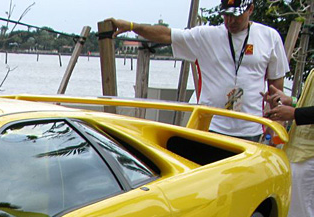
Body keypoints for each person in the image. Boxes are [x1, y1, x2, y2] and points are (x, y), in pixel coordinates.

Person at [109, 0, 288, 141]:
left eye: (236, 15)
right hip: (211, 127)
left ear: (250, 9)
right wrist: (133, 26)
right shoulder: (206, 36)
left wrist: (275, 128)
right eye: (226, 15)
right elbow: (167, 35)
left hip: (251, 129)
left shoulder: (269, 37)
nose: (230, 21)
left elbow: (276, 91)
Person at [264, 77, 314, 217]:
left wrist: (295, 114)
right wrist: (291, 101)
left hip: (308, 153)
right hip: (302, 150)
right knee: (298, 214)